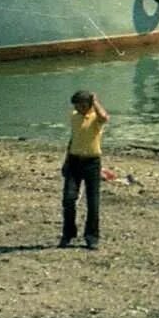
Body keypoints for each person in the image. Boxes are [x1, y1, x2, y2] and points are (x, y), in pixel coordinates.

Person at [60, 90, 108, 249]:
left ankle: (92, 237)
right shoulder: (74, 116)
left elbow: (105, 117)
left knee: (93, 202)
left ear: (88, 104)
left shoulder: (95, 118)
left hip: (92, 162)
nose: (79, 108)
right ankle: (68, 233)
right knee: (68, 199)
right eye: (77, 105)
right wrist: (66, 161)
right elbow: (73, 138)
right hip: (74, 160)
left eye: (82, 105)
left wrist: (95, 101)